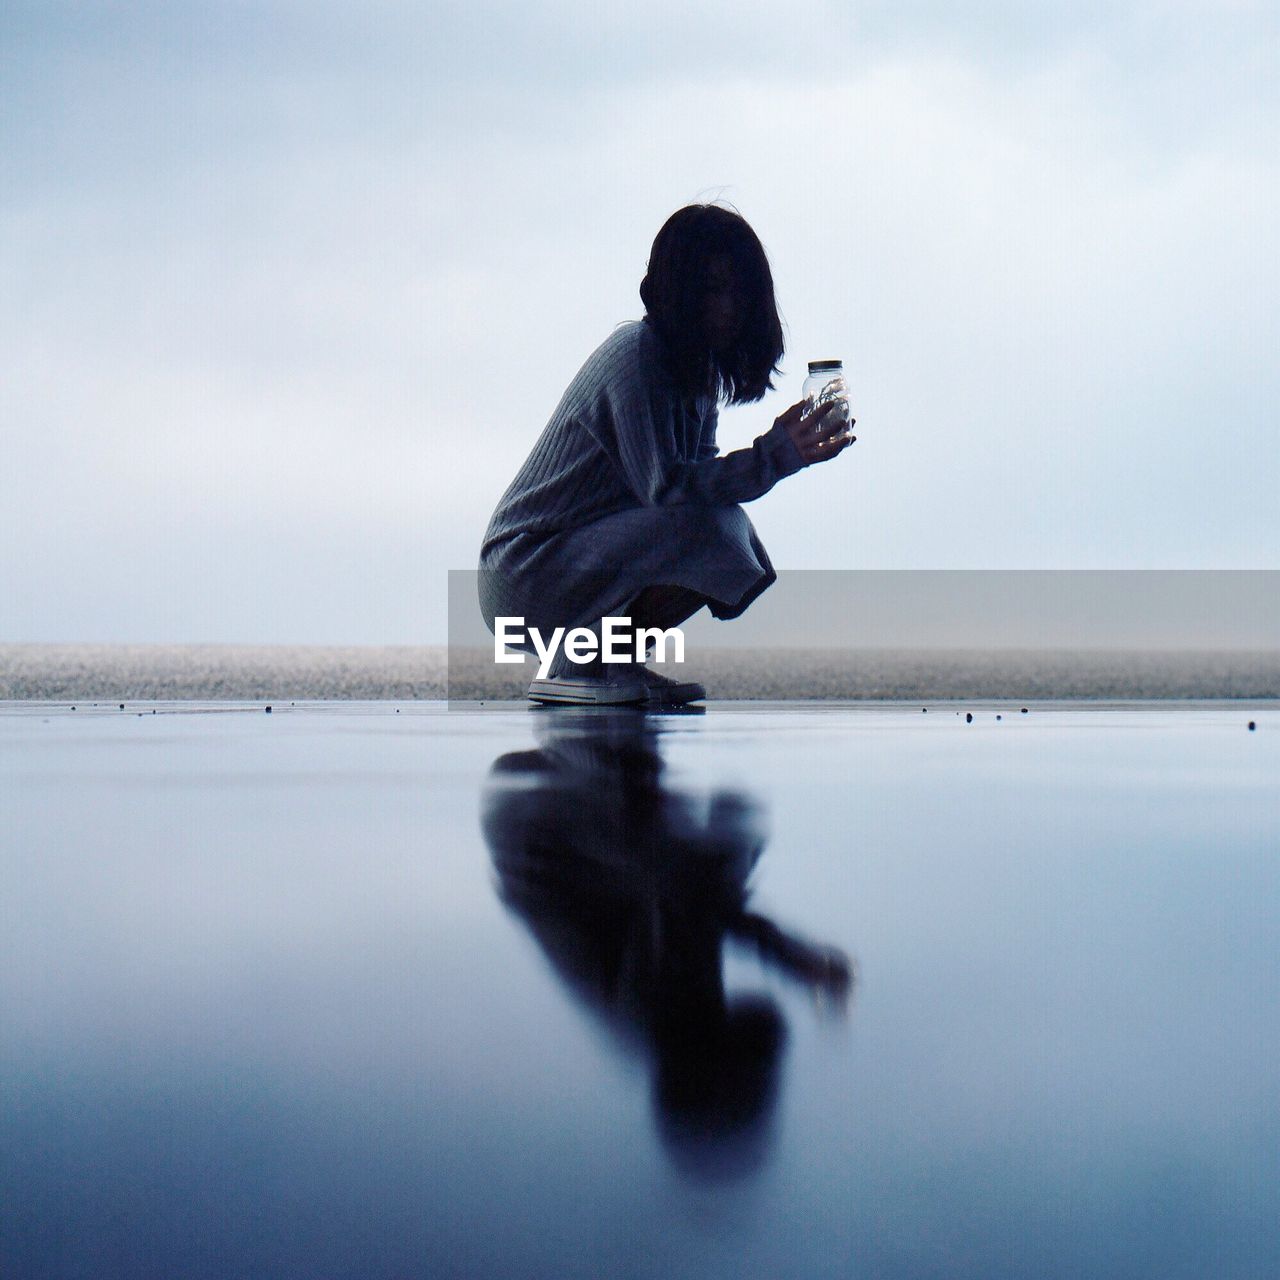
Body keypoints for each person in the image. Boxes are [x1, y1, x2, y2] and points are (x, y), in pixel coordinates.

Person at [478, 203, 854, 705]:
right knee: (715, 532)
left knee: (726, 532)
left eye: (740, 291)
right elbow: (668, 492)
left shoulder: (693, 378)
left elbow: (698, 484)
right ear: (682, 291)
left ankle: (612, 661)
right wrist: (777, 455)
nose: (731, 307)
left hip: (563, 559)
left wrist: (786, 454)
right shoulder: (636, 355)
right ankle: (581, 663)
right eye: (715, 289)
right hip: (524, 568)